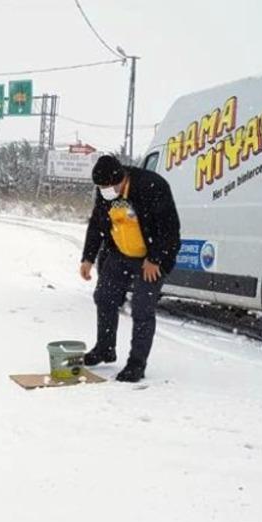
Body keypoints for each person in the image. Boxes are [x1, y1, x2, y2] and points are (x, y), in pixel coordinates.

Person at [79, 154, 181, 382]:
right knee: (104, 297)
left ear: (120, 179)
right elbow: (97, 224)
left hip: (152, 257)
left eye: (106, 186)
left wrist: (155, 259)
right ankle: (105, 348)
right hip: (120, 253)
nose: (103, 190)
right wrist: (87, 258)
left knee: (142, 308)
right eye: (100, 187)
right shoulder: (107, 192)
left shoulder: (151, 186)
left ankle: (136, 364)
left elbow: (170, 229)